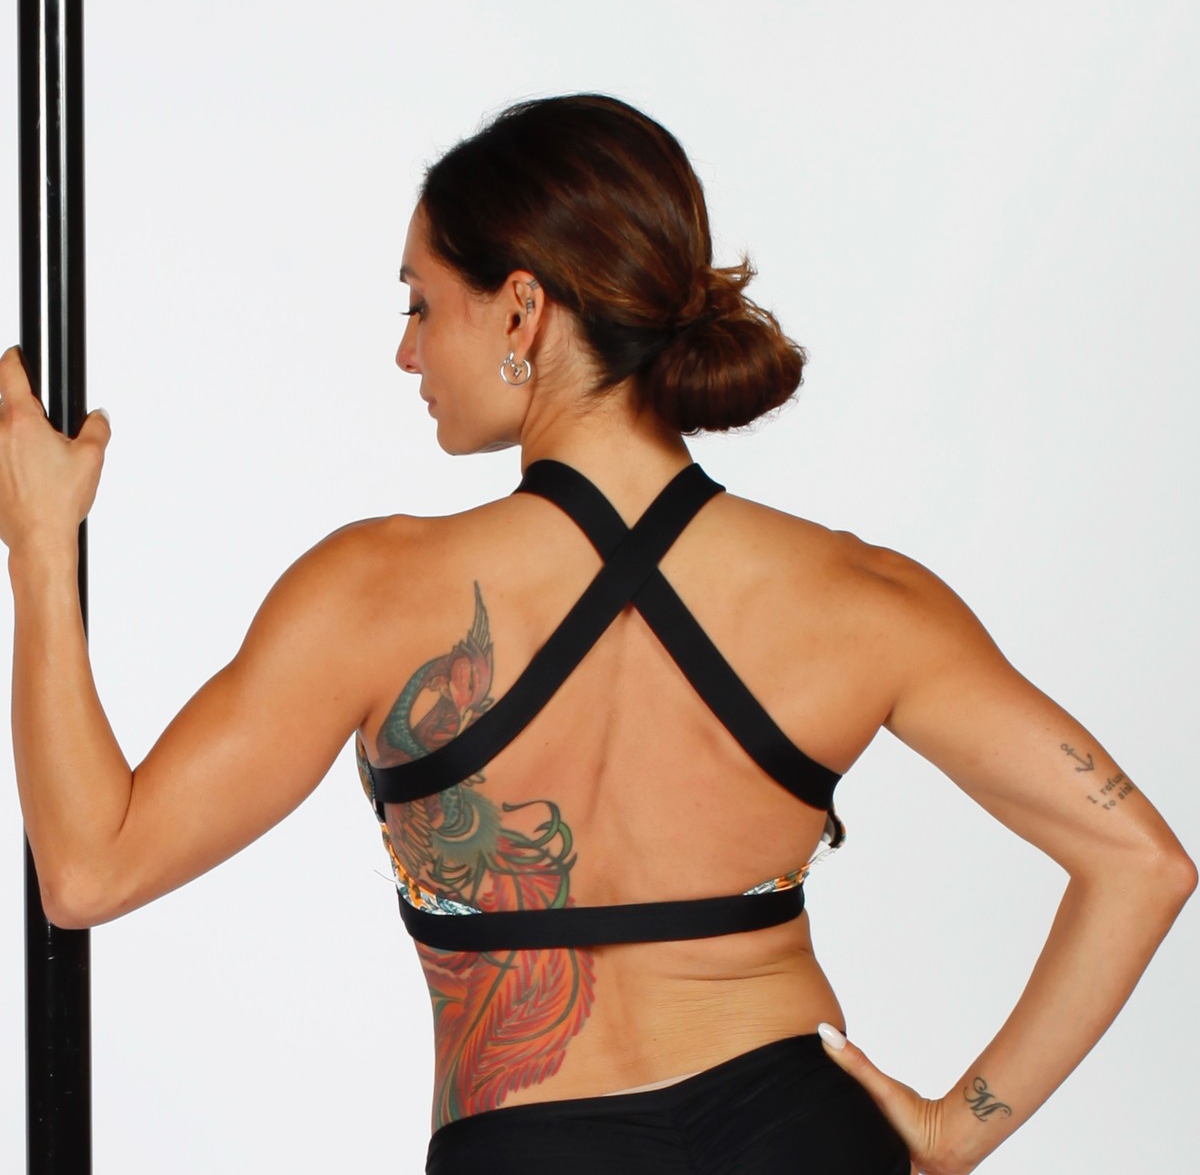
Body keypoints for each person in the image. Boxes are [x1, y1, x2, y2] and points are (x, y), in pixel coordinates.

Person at [1, 93, 1193, 1175]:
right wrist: (948, 1134)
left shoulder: (373, 590)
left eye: (421, 302)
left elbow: (92, 870)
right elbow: (1143, 863)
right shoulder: (862, 597)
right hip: (800, 1138)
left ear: (521, 306)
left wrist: (43, 548)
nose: (407, 350)